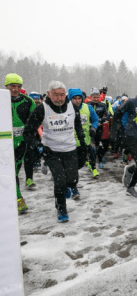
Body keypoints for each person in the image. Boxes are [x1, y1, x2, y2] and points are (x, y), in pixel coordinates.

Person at [24, 81, 86, 222]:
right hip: (51, 151)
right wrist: (38, 145)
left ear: (66, 95)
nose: (59, 98)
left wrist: (83, 144)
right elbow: (28, 132)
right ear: (49, 94)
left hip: (70, 149)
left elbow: (78, 126)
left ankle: (66, 186)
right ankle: (61, 209)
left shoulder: (72, 107)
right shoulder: (42, 109)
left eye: (62, 95)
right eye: (56, 95)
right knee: (60, 182)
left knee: (72, 180)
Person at [5, 73, 36, 212]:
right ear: (6, 86)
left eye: (18, 86)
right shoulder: (1, 99)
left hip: (21, 142)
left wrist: (32, 137)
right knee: (8, 171)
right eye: (12, 86)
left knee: (14, 171)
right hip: (4, 143)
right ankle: (18, 199)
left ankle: (14, 197)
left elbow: (34, 121)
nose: (15, 89)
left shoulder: (28, 101)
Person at [68, 88, 99, 181]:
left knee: (91, 153)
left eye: (79, 98)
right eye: (74, 98)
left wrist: (93, 128)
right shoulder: (66, 109)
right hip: (70, 140)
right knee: (70, 160)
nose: (77, 101)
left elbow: (95, 119)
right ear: (70, 99)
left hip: (85, 138)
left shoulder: (88, 107)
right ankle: (66, 173)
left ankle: (93, 168)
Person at [89, 88, 111, 168]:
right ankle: (91, 161)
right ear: (91, 97)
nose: (96, 99)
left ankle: (100, 159)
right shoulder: (87, 105)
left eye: (97, 97)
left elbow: (108, 115)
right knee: (91, 145)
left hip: (99, 127)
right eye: (94, 97)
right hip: (90, 127)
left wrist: (101, 121)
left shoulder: (102, 105)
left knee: (99, 145)